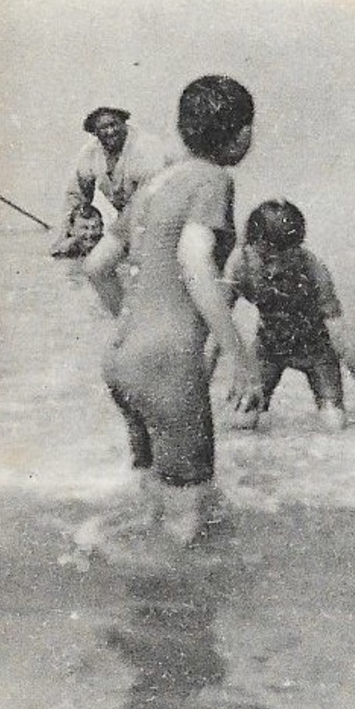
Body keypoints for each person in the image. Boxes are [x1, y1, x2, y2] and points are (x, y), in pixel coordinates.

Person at [83, 75, 264, 546]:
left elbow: (97, 265)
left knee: (153, 503)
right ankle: (168, 609)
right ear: (242, 133)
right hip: (166, 368)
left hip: (122, 361)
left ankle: (125, 599)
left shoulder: (153, 186)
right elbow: (193, 258)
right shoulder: (212, 179)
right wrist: (239, 357)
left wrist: (141, 329)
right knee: (188, 516)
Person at [224, 200, 355, 430]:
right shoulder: (241, 265)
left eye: (283, 260)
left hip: (317, 351)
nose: (274, 270)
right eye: (267, 259)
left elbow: (342, 341)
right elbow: (215, 329)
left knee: (335, 425)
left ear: (298, 248)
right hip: (268, 349)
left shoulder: (313, 271)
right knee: (241, 422)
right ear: (251, 245)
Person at [51, 106, 174, 257]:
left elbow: (147, 205)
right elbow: (75, 197)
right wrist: (67, 236)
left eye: (114, 124)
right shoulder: (90, 154)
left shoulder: (145, 149)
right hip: (131, 219)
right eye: (103, 127)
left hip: (163, 215)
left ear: (124, 123)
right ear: (95, 132)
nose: (110, 131)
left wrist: (118, 241)